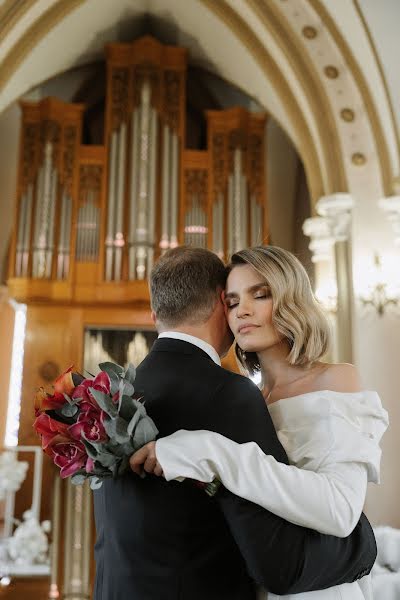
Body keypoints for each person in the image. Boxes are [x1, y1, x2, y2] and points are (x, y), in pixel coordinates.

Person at [94, 245, 377, 600]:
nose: (242, 310)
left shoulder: (336, 379)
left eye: (260, 295)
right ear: (218, 307)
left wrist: (210, 451)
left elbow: (341, 510)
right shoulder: (247, 396)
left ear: (292, 299)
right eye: (231, 301)